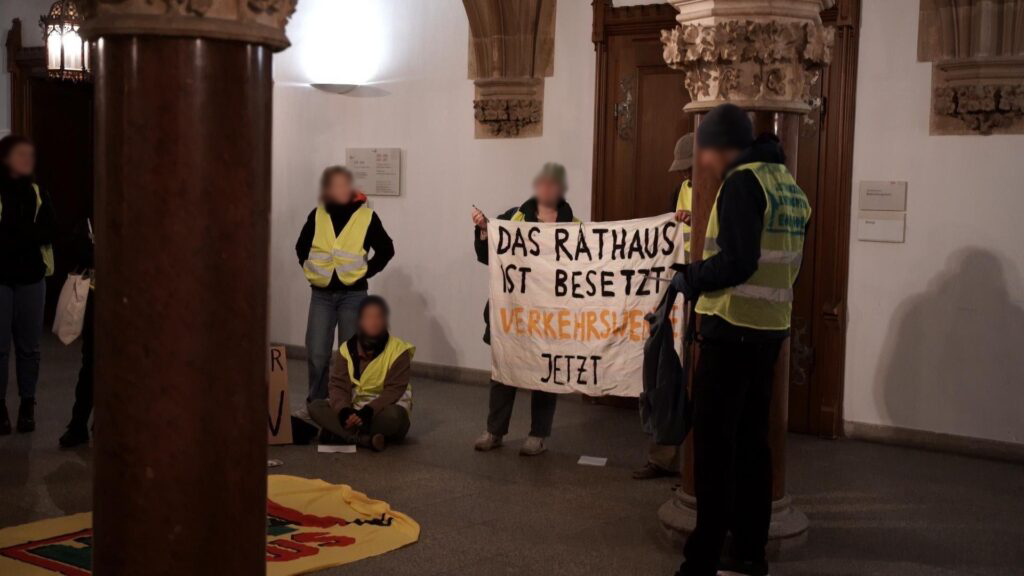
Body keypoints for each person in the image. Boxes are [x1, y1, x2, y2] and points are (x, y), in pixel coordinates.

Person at [669, 104, 811, 576]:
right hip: (769, 330)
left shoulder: (742, 183)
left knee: (713, 450)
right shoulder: (788, 187)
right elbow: (786, 265)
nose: (705, 164)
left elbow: (737, 262)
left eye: (706, 152)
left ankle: (702, 559)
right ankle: (749, 551)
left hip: (732, 331)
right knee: (753, 445)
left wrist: (691, 276)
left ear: (724, 146)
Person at [471, 162, 578, 457]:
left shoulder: (575, 226)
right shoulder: (513, 218)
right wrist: (483, 230)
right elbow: (487, 257)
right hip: (514, 311)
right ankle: (495, 431)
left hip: (549, 313)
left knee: (545, 371)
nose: (546, 188)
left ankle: (538, 434)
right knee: (504, 371)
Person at [295, 166, 395, 419]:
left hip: (354, 295)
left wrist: (366, 271)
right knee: (317, 352)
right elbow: (301, 247)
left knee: (349, 355)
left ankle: (345, 407)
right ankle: (315, 405)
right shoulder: (317, 214)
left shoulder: (366, 217)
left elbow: (386, 249)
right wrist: (311, 269)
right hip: (321, 295)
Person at [634, 132, 695, 481]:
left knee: (693, 380)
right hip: (681, 292)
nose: (685, 176)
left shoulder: (727, 188)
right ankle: (664, 456)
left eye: (689, 169)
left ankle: (694, 471)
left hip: (708, 294)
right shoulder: (681, 192)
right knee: (666, 375)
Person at [309, 296, 413, 452]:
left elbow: (394, 390)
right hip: (353, 410)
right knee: (315, 406)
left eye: (378, 317)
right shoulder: (346, 349)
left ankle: (341, 434)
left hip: (382, 411)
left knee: (395, 417)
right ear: (360, 321)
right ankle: (364, 440)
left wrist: (367, 412)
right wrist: (344, 412)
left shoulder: (399, 350)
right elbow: (338, 386)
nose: (373, 322)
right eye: (368, 317)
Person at [0, 135, 54, 435]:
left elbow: (48, 231)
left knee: (29, 348)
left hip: (31, 279)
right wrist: (24, 235)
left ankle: (27, 405)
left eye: (29, 155)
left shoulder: (38, 192)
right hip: (1, 279)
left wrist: (14, 236)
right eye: (20, 154)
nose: (26, 159)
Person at [59, 219, 95, 448]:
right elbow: (77, 250)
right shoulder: (88, 219)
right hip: (97, 298)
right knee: (91, 364)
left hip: (127, 301)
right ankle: (78, 425)